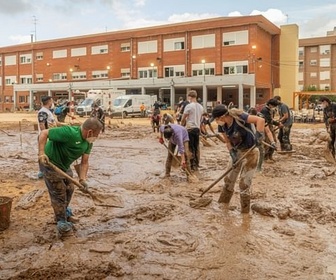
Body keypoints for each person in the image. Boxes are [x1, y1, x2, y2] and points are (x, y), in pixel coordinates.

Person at [38, 118, 103, 238]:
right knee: (59, 193)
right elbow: (44, 133)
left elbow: (84, 162)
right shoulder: (69, 133)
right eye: (97, 134)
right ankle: (61, 223)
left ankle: (63, 212)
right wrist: (41, 153)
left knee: (70, 188)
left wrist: (82, 179)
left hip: (64, 165)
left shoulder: (88, 143)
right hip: (50, 162)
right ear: (90, 132)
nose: (96, 137)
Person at [211, 104, 265, 213]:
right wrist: (232, 153)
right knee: (228, 180)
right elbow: (227, 141)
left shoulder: (240, 117)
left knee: (244, 184)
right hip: (237, 151)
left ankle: (245, 214)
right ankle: (223, 206)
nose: (216, 122)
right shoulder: (222, 126)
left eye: (216, 119)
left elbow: (260, 120)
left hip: (251, 152)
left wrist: (259, 135)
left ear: (221, 117)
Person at [181, 90, 204, 171]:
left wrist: (181, 126)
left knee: (190, 148)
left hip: (190, 128)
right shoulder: (201, 107)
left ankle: (191, 165)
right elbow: (201, 119)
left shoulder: (189, 106)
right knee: (196, 147)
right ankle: (197, 164)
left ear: (190, 97)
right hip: (197, 129)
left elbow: (184, 118)